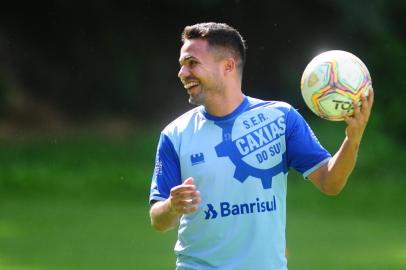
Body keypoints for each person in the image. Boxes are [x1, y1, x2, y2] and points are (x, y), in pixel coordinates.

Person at [149, 22, 374, 270]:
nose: (182, 73)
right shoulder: (175, 134)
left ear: (228, 66)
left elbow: (331, 183)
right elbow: (158, 220)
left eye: (192, 63)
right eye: (182, 65)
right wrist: (171, 206)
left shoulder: (280, 118)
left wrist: (352, 140)